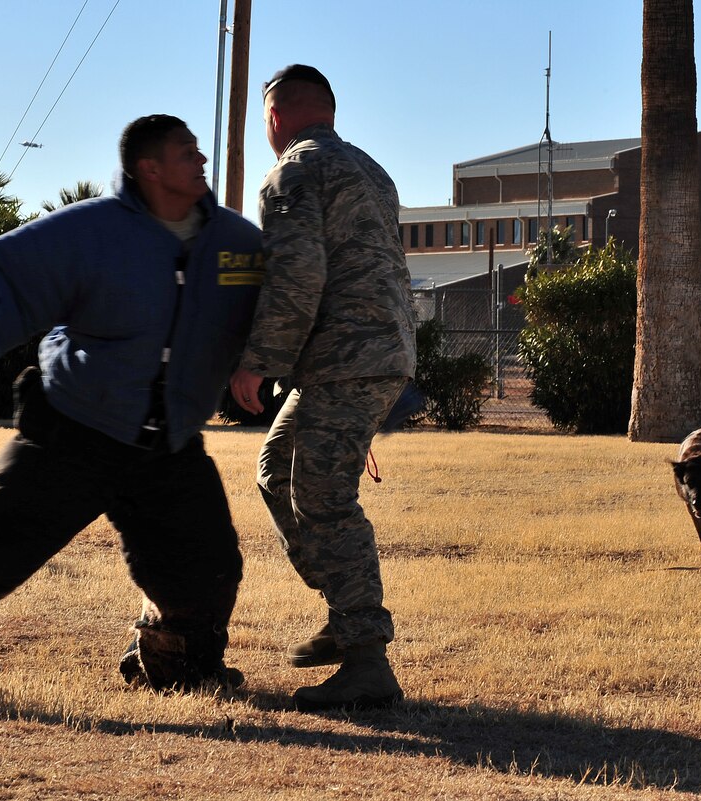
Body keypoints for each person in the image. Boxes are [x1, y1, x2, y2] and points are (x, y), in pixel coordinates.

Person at [0, 115, 264, 698]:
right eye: (187, 152)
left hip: (169, 443)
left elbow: (290, 305)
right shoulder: (90, 231)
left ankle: (179, 667)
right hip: (74, 432)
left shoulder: (236, 243)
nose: (201, 160)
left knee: (206, 565)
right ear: (149, 168)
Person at [229, 65, 417, 712]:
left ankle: (366, 658)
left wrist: (259, 361)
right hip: (380, 351)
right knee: (276, 468)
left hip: (344, 357)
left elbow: (297, 274)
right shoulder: (371, 170)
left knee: (323, 498)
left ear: (275, 116)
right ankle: (345, 611)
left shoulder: (294, 172)